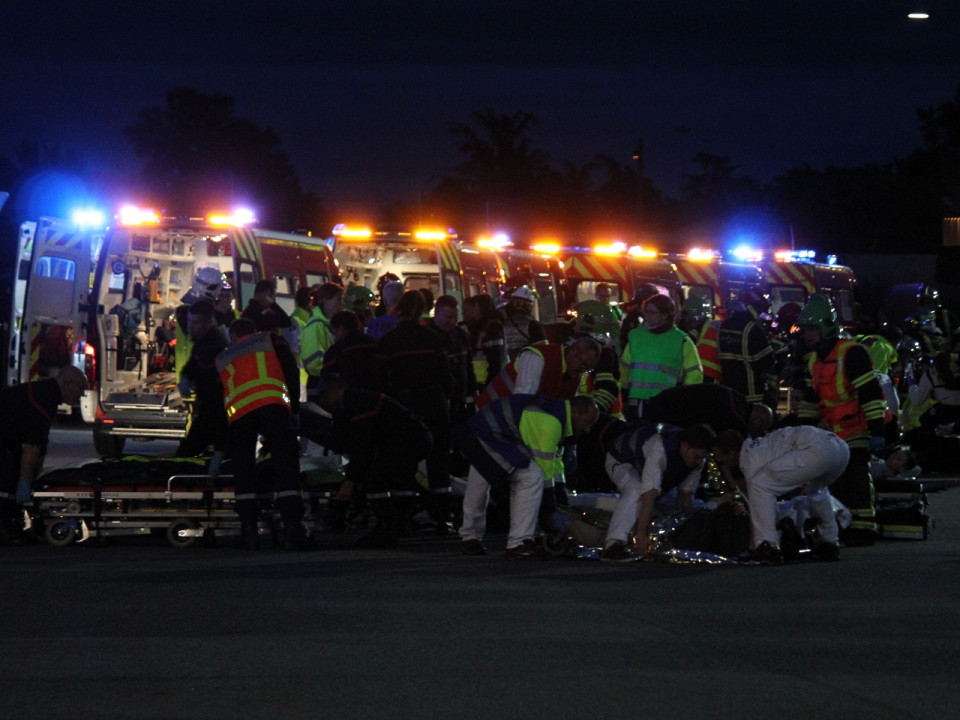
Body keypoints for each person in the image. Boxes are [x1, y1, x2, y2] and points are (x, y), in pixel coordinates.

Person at [455, 394, 599, 558]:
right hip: (489, 434)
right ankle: (519, 542)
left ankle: (470, 536)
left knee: (481, 480)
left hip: (481, 428)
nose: (587, 430)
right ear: (575, 413)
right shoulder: (551, 424)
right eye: (588, 423)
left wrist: (556, 503)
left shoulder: (554, 413)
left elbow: (554, 467)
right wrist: (551, 514)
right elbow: (545, 472)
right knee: (531, 476)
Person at [795, 292, 887, 546]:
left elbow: (870, 393)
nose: (808, 334)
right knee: (834, 481)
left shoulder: (851, 353)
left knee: (856, 477)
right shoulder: (814, 360)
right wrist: (802, 430)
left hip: (856, 426)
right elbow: (812, 401)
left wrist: (877, 429)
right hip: (832, 432)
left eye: (813, 328)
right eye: (806, 329)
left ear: (827, 327)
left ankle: (865, 528)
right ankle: (843, 525)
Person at [715, 407, 850, 564]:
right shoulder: (761, 446)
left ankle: (767, 546)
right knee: (816, 490)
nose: (721, 463)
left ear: (730, 453)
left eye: (720, 458)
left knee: (759, 485)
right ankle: (829, 542)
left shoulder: (749, 459)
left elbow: (756, 505)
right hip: (840, 449)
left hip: (815, 449)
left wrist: (752, 545)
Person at [216, 318, 307, 550]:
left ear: (233, 335)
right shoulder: (271, 341)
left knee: (243, 467)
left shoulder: (226, 354)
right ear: (253, 331)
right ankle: (292, 528)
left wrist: (221, 445)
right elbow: (291, 372)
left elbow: (222, 395)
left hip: (240, 414)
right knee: (285, 461)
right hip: (272, 406)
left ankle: (249, 530)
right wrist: (293, 410)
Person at [315, 373, 433, 548]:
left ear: (337, 388)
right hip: (409, 439)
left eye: (325, 394)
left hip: (408, 440)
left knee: (376, 477)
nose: (324, 400)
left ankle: (388, 526)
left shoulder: (358, 402)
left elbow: (362, 444)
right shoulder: (349, 406)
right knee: (396, 479)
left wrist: (350, 480)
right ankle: (397, 524)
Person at [376, 290, 456, 528]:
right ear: (424, 309)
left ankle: (404, 514)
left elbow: (381, 378)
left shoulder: (390, 340)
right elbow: (446, 375)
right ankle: (442, 514)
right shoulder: (432, 338)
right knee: (438, 459)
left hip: (405, 405)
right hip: (435, 404)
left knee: (405, 460)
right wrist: (447, 398)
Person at [593, 420, 714, 562]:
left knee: (671, 506)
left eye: (702, 458)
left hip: (646, 468)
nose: (699, 462)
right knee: (636, 490)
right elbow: (648, 494)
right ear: (685, 446)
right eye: (697, 457)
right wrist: (642, 534)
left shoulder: (698, 461)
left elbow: (684, 497)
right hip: (621, 460)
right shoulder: (660, 447)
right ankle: (613, 544)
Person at [0, 365, 87, 544]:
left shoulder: (45, 394)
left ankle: (10, 524)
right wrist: (25, 480)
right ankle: (5, 528)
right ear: (67, 384)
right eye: (81, 389)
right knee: (7, 475)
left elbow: (39, 446)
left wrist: (31, 476)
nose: (82, 395)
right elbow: (32, 448)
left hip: (7, 438)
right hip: (4, 441)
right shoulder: (42, 400)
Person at [620, 293, 703, 422]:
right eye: (646, 312)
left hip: (666, 404)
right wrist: (624, 394)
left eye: (653, 312)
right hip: (636, 402)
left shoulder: (681, 339)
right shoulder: (635, 335)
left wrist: (684, 399)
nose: (647, 316)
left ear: (665, 315)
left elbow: (694, 373)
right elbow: (625, 366)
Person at [175, 299, 229, 460]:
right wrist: (186, 376)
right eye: (190, 322)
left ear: (208, 322)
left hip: (214, 407)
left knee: (186, 453)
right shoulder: (203, 340)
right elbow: (193, 365)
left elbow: (204, 370)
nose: (191, 326)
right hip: (209, 407)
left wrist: (189, 377)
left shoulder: (214, 344)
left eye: (196, 323)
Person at [717, 288, 776, 405]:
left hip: (729, 391)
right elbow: (767, 361)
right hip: (752, 394)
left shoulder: (723, 325)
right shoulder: (752, 329)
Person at [427, 294, 477, 425]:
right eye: (448, 317)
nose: (452, 321)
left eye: (455, 317)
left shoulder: (460, 335)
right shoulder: (427, 338)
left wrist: (472, 392)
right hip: (438, 404)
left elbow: (468, 367)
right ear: (436, 314)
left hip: (460, 401)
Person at [174, 266, 227, 379]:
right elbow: (207, 331)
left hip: (201, 375)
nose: (220, 296)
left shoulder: (187, 310)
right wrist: (219, 314)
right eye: (219, 290)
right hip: (192, 377)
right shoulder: (186, 311)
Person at [301, 282, 344, 396]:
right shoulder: (316, 326)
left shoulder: (324, 325)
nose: (341, 304)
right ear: (325, 301)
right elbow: (313, 364)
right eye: (338, 300)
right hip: (319, 388)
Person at [320, 309, 377, 391]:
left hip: (349, 399)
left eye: (334, 333)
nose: (334, 338)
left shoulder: (335, 351)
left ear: (341, 329)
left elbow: (328, 381)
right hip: (377, 397)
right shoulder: (374, 343)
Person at [461, 293, 506, 395]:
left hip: (487, 382)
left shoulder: (492, 326)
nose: (465, 313)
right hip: (479, 381)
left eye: (469, 309)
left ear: (479, 307)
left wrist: (490, 386)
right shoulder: (476, 327)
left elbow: (495, 359)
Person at [500, 284, 546, 359]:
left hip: (507, 368)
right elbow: (544, 351)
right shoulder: (534, 325)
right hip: (526, 366)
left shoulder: (501, 323)